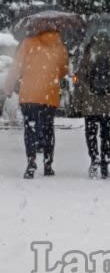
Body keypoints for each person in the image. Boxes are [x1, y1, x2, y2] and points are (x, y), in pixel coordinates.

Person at [5, 31, 69, 178]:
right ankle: (48, 164)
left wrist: (9, 86)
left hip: (29, 94)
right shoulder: (59, 46)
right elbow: (64, 70)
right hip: (50, 95)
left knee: (30, 128)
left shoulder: (28, 44)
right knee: (48, 128)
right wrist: (52, 74)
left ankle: (31, 161)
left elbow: (16, 67)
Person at [74, 32, 110, 179]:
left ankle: (94, 158)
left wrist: (77, 103)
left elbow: (78, 82)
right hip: (108, 104)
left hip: (90, 104)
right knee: (106, 134)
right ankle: (105, 163)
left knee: (91, 134)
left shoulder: (87, 58)